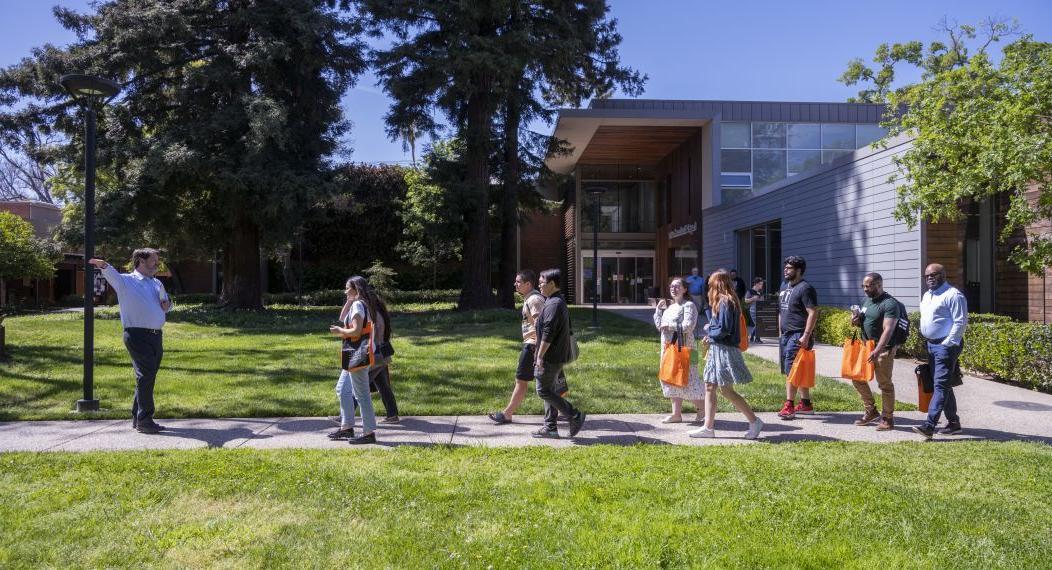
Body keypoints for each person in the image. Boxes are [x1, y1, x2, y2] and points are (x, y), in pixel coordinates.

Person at [89, 249, 172, 434]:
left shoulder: (157, 282)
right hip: (136, 335)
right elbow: (112, 275)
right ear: (141, 261)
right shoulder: (126, 281)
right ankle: (145, 419)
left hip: (156, 336)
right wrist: (103, 265)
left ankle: (137, 417)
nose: (157, 264)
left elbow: (166, 304)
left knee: (146, 377)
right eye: (154, 261)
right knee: (146, 375)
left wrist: (167, 305)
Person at [689, 270, 764, 439]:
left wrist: (710, 330)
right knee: (710, 386)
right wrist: (712, 335)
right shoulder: (724, 301)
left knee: (725, 390)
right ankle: (708, 427)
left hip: (724, 350)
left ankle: (754, 421)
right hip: (718, 348)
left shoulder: (725, 302)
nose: (708, 287)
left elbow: (724, 329)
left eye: (711, 284)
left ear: (718, 284)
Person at [913, 263, 968, 440]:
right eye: (926, 276)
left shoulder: (953, 295)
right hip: (931, 345)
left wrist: (947, 343)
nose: (929, 278)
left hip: (946, 346)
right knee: (944, 384)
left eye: (933, 275)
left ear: (943, 275)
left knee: (940, 385)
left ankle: (929, 425)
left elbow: (960, 322)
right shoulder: (927, 295)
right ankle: (953, 423)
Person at [531, 268, 586, 439]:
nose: (539, 286)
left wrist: (540, 356)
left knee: (543, 390)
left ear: (552, 284)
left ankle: (574, 415)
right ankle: (550, 428)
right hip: (554, 355)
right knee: (550, 390)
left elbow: (549, 332)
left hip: (550, 356)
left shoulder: (554, 303)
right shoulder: (554, 301)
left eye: (542, 283)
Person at [488, 270, 546, 424]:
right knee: (550, 382)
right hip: (535, 345)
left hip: (532, 345)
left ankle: (507, 414)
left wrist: (538, 351)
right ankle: (564, 411)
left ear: (528, 284)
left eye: (518, 282)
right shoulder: (531, 298)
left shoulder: (534, 300)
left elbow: (541, 326)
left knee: (521, 380)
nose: (515, 284)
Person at [328, 276, 379, 445]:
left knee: (362, 394)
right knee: (342, 389)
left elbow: (356, 332)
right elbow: (343, 317)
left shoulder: (359, 305)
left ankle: (369, 432)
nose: (345, 291)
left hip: (358, 355)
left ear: (356, 289)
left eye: (347, 288)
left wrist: (339, 331)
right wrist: (349, 300)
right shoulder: (357, 303)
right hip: (354, 355)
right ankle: (347, 427)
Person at [850, 273, 901, 431]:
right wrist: (856, 321)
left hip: (882, 349)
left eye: (868, 286)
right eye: (863, 286)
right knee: (857, 378)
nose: (865, 289)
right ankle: (871, 410)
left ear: (879, 285)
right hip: (866, 347)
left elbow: (888, 329)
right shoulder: (866, 301)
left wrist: (878, 350)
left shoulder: (889, 303)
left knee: (884, 384)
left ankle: (888, 418)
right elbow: (865, 323)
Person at [653, 277, 705, 423]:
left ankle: (703, 411)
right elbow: (661, 327)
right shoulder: (670, 308)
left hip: (687, 350)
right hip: (669, 350)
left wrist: (669, 326)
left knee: (689, 381)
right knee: (670, 380)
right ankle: (676, 414)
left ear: (684, 289)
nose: (673, 289)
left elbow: (689, 326)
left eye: (677, 286)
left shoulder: (689, 306)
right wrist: (657, 312)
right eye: (671, 286)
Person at [776, 256, 819, 420]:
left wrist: (806, 336)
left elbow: (813, 312)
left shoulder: (805, 288)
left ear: (799, 270)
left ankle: (789, 405)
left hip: (799, 334)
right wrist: (780, 332)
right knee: (796, 369)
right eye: (785, 267)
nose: (785, 270)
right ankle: (806, 404)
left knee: (792, 370)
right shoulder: (784, 286)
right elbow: (781, 310)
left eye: (789, 268)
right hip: (786, 334)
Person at [743, 277, 765, 343]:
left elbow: (762, 299)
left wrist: (761, 299)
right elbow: (746, 300)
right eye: (760, 284)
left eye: (762, 284)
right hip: (753, 310)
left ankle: (751, 336)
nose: (762, 285)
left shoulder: (760, 291)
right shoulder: (750, 291)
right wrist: (753, 298)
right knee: (758, 324)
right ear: (756, 284)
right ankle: (757, 339)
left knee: (758, 324)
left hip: (760, 309)